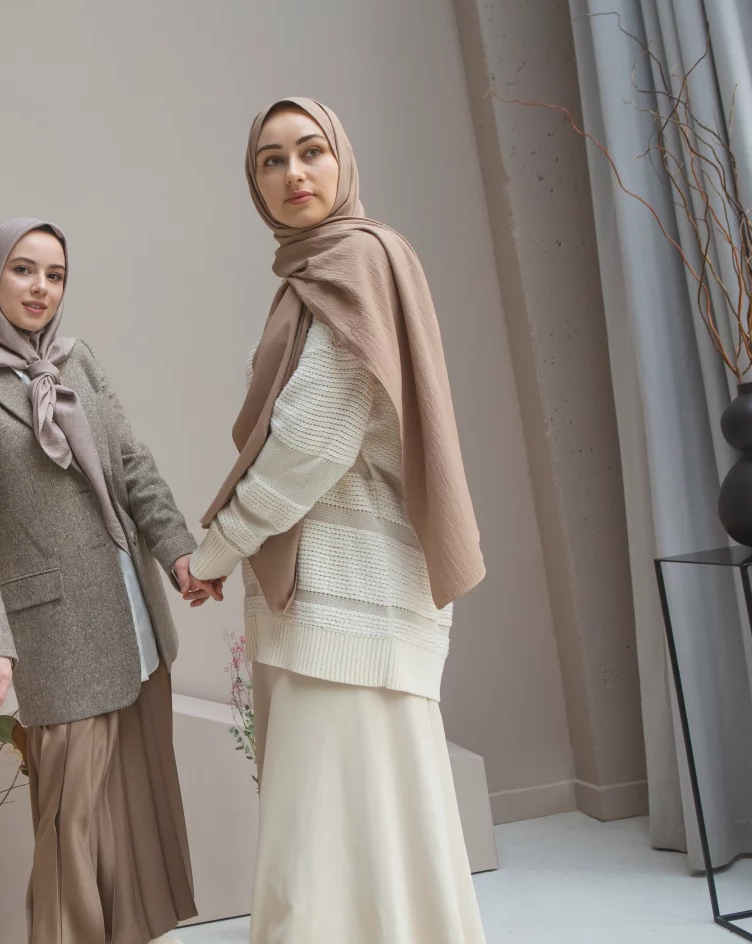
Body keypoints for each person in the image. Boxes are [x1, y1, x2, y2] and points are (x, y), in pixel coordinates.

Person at [188, 99, 489, 943]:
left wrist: (214, 552)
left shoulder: (350, 263)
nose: (293, 174)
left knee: (319, 849)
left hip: (341, 604)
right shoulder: (328, 269)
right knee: (381, 837)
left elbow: (312, 442)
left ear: (342, 160)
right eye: (271, 160)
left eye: (311, 151)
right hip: (362, 603)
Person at [0, 218, 217, 944]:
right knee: (72, 828)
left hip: (134, 613)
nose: (41, 288)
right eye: (23, 269)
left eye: (55, 275)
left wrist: (178, 552)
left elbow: (132, 465)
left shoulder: (75, 360)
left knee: (137, 817)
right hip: (56, 631)